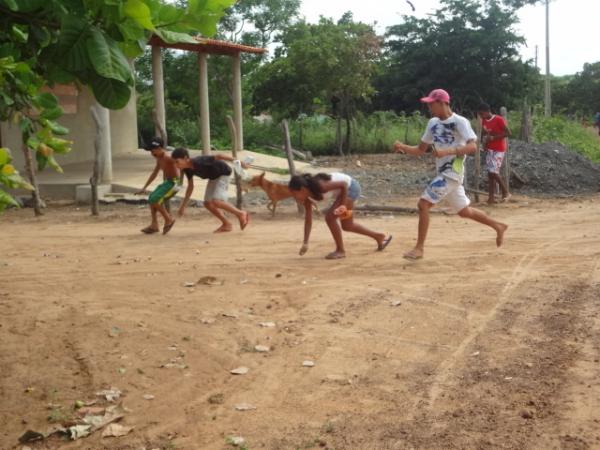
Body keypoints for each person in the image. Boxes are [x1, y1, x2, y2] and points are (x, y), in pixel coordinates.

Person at [393, 89, 508, 260]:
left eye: (431, 104)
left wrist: (448, 151)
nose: (429, 107)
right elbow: (420, 150)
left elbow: (473, 147)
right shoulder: (432, 123)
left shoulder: (460, 121)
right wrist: (403, 147)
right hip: (444, 172)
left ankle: (419, 248)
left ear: (442, 103)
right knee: (464, 211)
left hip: (452, 172)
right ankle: (498, 226)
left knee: (423, 204)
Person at [288, 172, 392, 260]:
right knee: (348, 225)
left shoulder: (320, 186)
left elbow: (343, 185)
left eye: (294, 193)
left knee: (330, 218)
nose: (293, 197)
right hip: (344, 193)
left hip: (351, 189)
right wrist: (305, 243)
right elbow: (308, 219)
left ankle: (340, 250)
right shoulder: (307, 199)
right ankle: (379, 237)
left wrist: (342, 205)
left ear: (302, 189)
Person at [171, 147, 250, 233]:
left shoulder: (198, 161)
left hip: (223, 173)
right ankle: (227, 224)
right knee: (207, 203)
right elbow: (190, 187)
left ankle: (241, 213)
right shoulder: (187, 169)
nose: (176, 165)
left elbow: (219, 156)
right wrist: (183, 206)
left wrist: (239, 162)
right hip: (213, 177)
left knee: (216, 201)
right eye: (174, 162)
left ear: (186, 158)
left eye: (177, 162)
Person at [136, 137, 178, 235]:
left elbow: (179, 166)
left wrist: (180, 180)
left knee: (155, 199)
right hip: (168, 182)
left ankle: (168, 220)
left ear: (160, 148)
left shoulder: (168, 158)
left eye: (153, 150)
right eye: (150, 151)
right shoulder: (159, 159)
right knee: (151, 198)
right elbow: (154, 174)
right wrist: (144, 187)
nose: (152, 153)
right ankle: (154, 225)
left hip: (174, 183)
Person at [478, 103, 511, 203]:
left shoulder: (498, 119)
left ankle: (506, 192)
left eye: (482, 114)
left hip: (499, 149)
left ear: (487, 111)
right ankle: (491, 198)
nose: (481, 116)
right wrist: (483, 142)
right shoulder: (484, 120)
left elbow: (508, 133)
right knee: (490, 174)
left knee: (493, 171)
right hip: (489, 149)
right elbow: (485, 132)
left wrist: (493, 138)